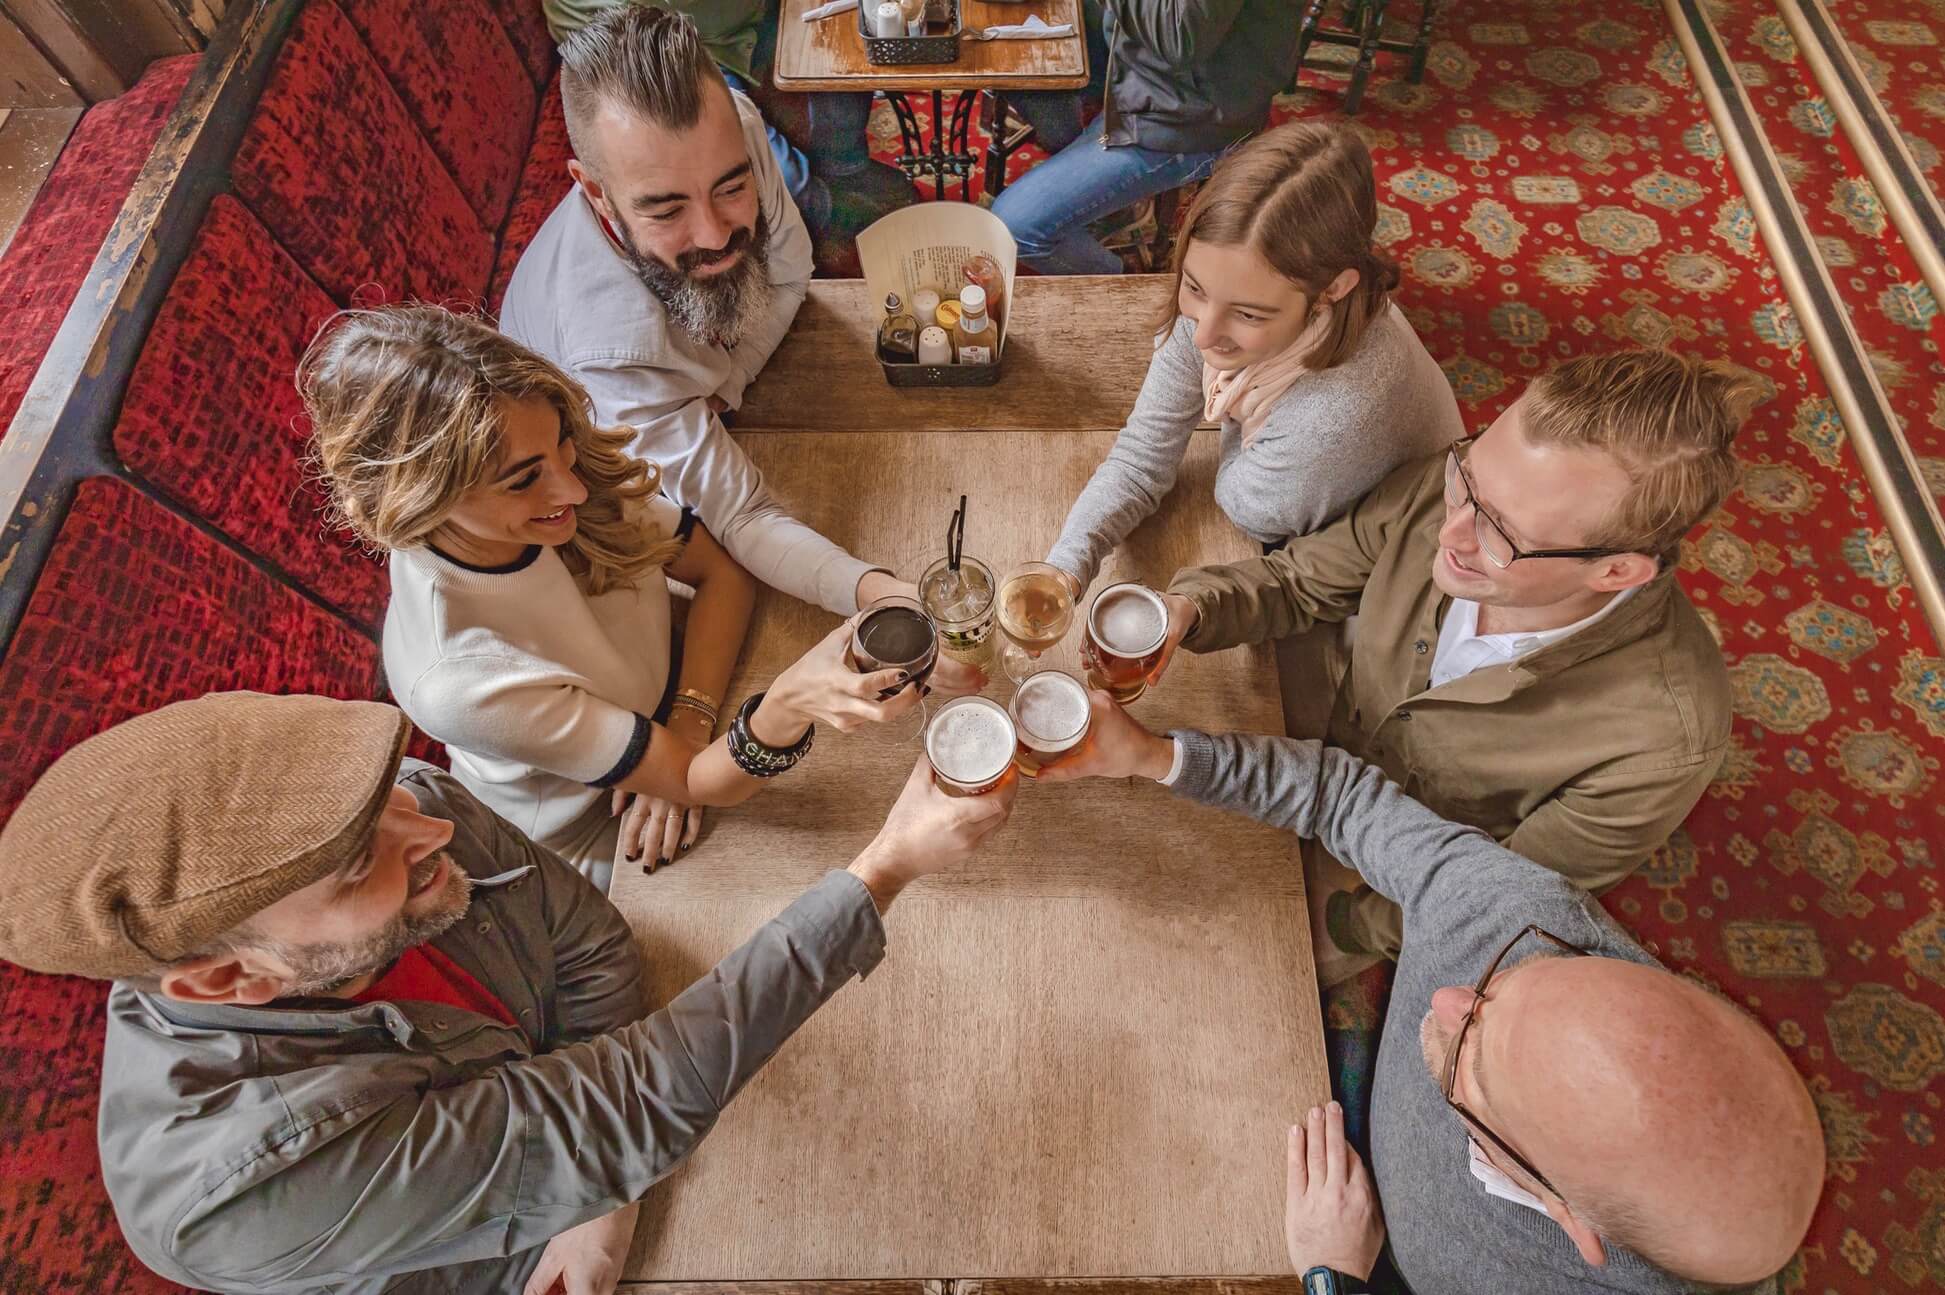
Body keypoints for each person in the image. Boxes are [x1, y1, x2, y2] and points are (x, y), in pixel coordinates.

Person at [0, 691, 1016, 1294]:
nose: (431, 827)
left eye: (387, 789)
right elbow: (637, 1101)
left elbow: (597, 953)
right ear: (229, 976)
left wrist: (600, 1181)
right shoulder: (235, 1185)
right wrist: (882, 864)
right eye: (360, 866)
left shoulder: (411, 808)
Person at [1040, 695, 1824, 1293]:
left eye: (1472, 1062)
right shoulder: (1521, 917)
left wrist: (1331, 1275)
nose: (1445, 998)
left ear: (1570, 1220)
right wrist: (1155, 754)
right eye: (1503, 982)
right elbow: (1341, 799)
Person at [1148, 350, 1754, 983]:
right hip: (1320, 743)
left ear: (1616, 572)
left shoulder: (1663, 742)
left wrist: (1350, 927)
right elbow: (1298, 582)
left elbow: (1501, 894)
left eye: (1501, 534)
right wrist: (1192, 610)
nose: (1451, 532)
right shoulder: (1465, 500)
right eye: (1466, 477)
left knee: (1212, 974)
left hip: (1398, 874)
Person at [305, 306, 932, 891]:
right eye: (526, 479)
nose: (574, 490)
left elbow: (723, 574)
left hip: (682, 726)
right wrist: (789, 702)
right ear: (422, 499)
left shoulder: (556, 479)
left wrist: (684, 731)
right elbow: (699, 781)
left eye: (562, 448)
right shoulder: (460, 676)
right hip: (605, 832)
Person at [501, 6, 913, 619]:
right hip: (607, 480)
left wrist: (732, 377)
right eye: (666, 211)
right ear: (594, 192)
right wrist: (886, 596)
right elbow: (743, 516)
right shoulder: (609, 356)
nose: (716, 234)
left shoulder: (732, 128)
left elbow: (792, 269)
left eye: (730, 189)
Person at [1045, 121, 1461, 596]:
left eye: (1247, 314)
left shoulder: (1335, 417)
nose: (1202, 335)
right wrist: (1067, 566)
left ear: (1332, 289)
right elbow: (1142, 456)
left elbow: (1245, 509)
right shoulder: (1227, 299)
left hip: (1401, 572)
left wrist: (1226, 423)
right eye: (1194, 287)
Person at [538, 0, 913, 247]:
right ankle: (826, 215)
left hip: (721, 22)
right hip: (642, 57)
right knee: (762, 170)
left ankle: (844, 169)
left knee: (838, 37)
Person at [990, 0, 1301, 274]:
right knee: (1009, 52)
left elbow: (1180, 36)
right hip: (1140, 68)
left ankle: (1121, 278)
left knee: (1014, 227)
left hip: (1188, 116)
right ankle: (1106, 202)